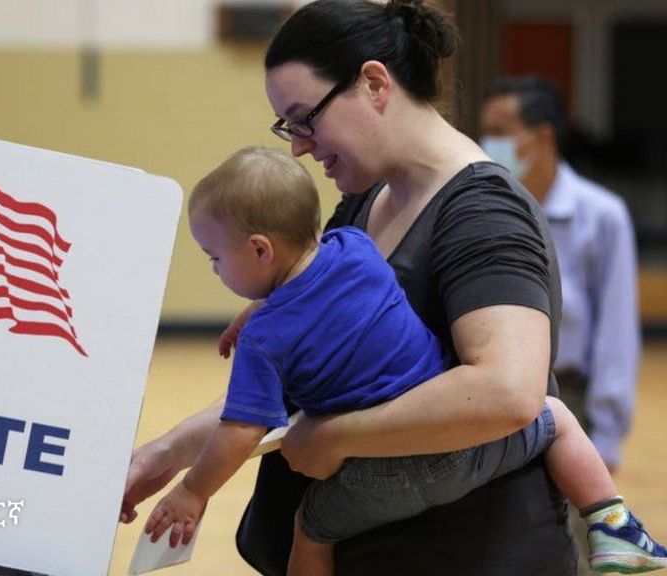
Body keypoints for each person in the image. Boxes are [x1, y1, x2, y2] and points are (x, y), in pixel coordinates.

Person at [120, 1, 575, 573]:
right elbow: (279, 385)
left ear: (374, 84)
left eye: (304, 118)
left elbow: (507, 391)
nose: (298, 146)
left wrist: (337, 437)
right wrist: (163, 456)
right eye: (288, 127)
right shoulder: (364, 202)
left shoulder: (482, 212)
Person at [140, 147, 666, 575]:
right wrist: (260, 306)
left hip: (382, 471)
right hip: (462, 439)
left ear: (260, 250)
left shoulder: (265, 341)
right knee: (557, 417)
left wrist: (191, 491)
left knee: (312, 527)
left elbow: (240, 430)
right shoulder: (354, 246)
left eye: (215, 257)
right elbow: (315, 286)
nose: (213, 269)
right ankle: (613, 524)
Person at [479, 74, 644, 576]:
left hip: (571, 401)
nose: (488, 144)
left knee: (578, 547)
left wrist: (607, 435)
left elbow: (616, 333)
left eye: (500, 131)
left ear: (542, 135)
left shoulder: (601, 215)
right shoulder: (485, 208)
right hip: (496, 400)